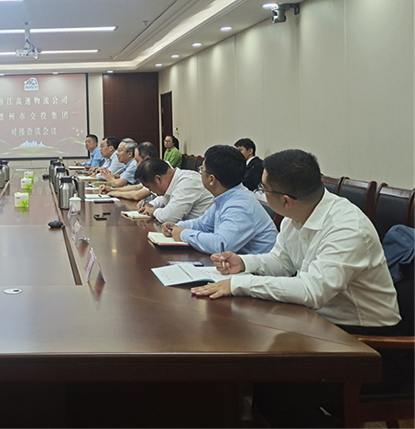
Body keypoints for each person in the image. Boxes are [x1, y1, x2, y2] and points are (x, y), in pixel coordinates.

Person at [191, 149, 401, 428]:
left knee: (276, 397)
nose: (261, 193)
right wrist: (244, 263)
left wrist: (240, 284)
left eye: (263, 189)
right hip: (324, 325)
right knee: (256, 368)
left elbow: (313, 291)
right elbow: (281, 261)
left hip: (366, 344)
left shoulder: (346, 228)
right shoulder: (297, 214)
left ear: (286, 200)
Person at [161, 145, 277, 255]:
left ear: (212, 179)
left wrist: (183, 233)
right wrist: (176, 226)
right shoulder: (227, 196)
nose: (200, 174)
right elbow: (203, 224)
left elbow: (221, 245)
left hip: (258, 267)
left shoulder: (240, 205)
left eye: (202, 170)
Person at [134, 157, 214, 223]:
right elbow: (165, 198)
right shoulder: (175, 180)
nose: (150, 190)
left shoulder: (187, 182)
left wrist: (153, 211)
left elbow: (169, 217)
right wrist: (151, 205)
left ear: (158, 179)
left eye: (149, 187)